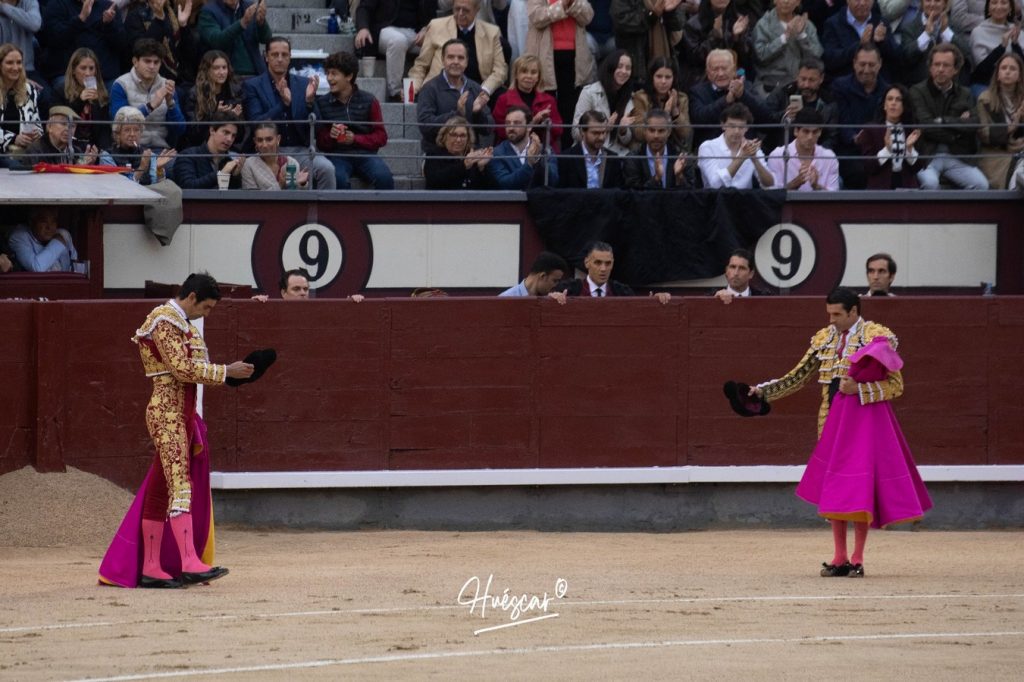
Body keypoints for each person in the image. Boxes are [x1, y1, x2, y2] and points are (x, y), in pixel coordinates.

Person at [748, 288, 930, 577]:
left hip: (861, 427)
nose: (831, 320)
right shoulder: (824, 338)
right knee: (835, 488)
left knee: (857, 488)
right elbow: (797, 377)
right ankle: (839, 556)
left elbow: (896, 386)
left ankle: (857, 558)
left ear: (853, 312)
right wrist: (762, 391)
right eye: (829, 314)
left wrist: (859, 389)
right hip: (830, 422)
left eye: (836, 314)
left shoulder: (876, 337)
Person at [98, 273, 255, 589]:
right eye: (206, 307)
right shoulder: (164, 320)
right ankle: (188, 562)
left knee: (160, 490)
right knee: (181, 484)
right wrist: (226, 371)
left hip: (181, 413)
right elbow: (182, 369)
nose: (206, 314)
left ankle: (152, 568)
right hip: (167, 414)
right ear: (193, 297)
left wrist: (228, 376)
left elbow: (195, 369)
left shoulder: (182, 324)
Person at [242, 37, 337, 190]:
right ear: (266, 57)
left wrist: (310, 103)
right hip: (268, 150)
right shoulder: (252, 85)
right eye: (275, 55)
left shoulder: (303, 83)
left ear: (290, 57)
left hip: (300, 149)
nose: (280, 59)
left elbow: (318, 126)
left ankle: (324, 206)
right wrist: (282, 105)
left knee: (327, 169)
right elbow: (255, 123)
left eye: (284, 55)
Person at [910, 42, 989, 189]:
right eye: (936, 64)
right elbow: (926, 126)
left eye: (946, 65)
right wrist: (957, 131)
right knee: (930, 184)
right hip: (927, 156)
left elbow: (974, 123)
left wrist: (942, 120)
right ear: (930, 67)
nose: (940, 69)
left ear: (956, 69)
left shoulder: (965, 93)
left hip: (957, 156)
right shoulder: (917, 91)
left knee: (981, 185)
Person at [314, 50, 394, 190]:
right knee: (338, 179)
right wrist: (331, 136)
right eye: (327, 73)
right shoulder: (322, 103)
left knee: (384, 178)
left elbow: (381, 137)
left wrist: (355, 139)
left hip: (366, 155)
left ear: (349, 76)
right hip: (336, 155)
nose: (329, 78)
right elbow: (320, 142)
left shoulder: (369, 100)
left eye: (334, 74)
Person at [525, 0, 597, 149]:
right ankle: (541, 151)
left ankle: (566, 150)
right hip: (544, 57)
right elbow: (536, 17)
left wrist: (573, 4)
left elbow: (588, 16)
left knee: (569, 106)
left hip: (574, 57)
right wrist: (562, 5)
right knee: (545, 104)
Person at [409, 0, 509, 98]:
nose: (460, 13)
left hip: (478, 88)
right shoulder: (437, 26)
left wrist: (485, 90)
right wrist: (413, 90)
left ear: (476, 10)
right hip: (441, 89)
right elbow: (421, 65)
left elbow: (500, 70)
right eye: (457, 9)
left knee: (504, 97)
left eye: (466, 10)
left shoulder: (492, 32)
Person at [416, 39, 495, 155]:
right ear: (443, 60)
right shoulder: (429, 88)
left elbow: (488, 129)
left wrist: (477, 113)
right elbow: (425, 126)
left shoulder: (475, 88)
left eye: (461, 58)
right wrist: (456, 114)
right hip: (438, 156)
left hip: (470, 155)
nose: (456, 61)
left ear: (467, 62)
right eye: (451, 57)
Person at [109, 39, 186, 151]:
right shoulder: (121, 85)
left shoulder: (167, 85)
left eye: (156, 62)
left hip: (161, 149)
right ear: (135, 62)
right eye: (147, 61)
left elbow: (180, 130)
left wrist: (170, 104)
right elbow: (118, 123)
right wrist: (150, 106)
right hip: (131, 149)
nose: (152, 66)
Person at [354, 0, 438, 102]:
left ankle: (430, 91)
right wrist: (363, 28)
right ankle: (395, 92)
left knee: (436, 43)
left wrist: (425, 29)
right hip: (386, 29)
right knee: (398, 41)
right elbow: (364, 8)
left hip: (415, 33)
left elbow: (431, 15)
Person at [831, 44, 889, 189]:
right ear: (854, 64)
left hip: (879, 148)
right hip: (849, 150)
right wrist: (854, 138)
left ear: (880, 64)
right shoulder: (840, 86)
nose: (866, 70)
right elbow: (841, 121)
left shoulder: (888, 90)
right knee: (858, 171)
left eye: (871, 65)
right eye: (862, 64)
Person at [688, 48, 771, 148]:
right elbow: (699, 119)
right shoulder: (697, 92)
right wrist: (726, 100)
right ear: (708, 73)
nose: (720, 74)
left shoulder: (747, 87)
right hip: (711, 150)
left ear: (734, 70)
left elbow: (766, 116)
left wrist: (743, 95)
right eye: (715, 69)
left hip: (745, 148)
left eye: (724, 68)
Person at [39, 0, 127, 86]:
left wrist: (109, 25)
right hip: (69, 76)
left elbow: (121, 44)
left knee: (120, 88)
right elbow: (55, 39)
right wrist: (81, 18)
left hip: (105, 78)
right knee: (66, 88)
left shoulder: (108, 7)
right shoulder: (57, 4)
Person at [855, 83, 923, 188]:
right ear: (884, 105)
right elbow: (868, 167)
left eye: (898, 100)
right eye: (890, 99)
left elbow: (917, 168)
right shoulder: (871, 130)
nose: (893, 103)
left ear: (904, 106)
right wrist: (887, 150)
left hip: (906, 185)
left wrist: (909, 149)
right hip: (880, 187)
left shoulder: (912, 129)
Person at [491, 54, 564, 148]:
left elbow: (558, 131)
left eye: (533, 72)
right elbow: (500, 131)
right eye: (524, 72)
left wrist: (545, 123)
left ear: (538, 77)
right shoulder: (503, 100)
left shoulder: (549, 100)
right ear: (516, 75)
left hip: (542, 150)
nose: (529, 76)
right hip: (512, 150)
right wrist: (533, 122)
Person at [764, 57, 838, 151]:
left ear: (821, 79)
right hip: (780, 151)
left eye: (811, 80)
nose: (806, 85)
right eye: (803, 79)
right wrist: (784, 115)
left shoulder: (829, 103)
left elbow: (831, 137)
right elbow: (765, 120)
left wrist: (817, 153)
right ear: (797, 76)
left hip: (814, 154)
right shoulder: (783, 93)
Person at [681, 0, 756, 92]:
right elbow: (695, 57)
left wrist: (736, 38)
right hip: (704, 78)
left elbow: (747, 58)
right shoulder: (693, 24)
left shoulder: (738, 20)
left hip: (734, 76)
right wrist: (715, 36)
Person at [572, 48, 637, 155]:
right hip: (588, 152)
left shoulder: (629, 97)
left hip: (615, 153)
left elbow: (627, 141)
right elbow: (576, 133)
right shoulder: (589, 92)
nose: (624, 71)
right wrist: (603, 128)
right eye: (619, 66)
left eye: (628, 68)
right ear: (611, 67)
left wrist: (623, 130)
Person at [752, 0, 822, 98]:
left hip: (799, 86)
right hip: (769, 86)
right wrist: (784, 38)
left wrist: (801, 36)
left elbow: (816, 56)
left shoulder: (807, 25)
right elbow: (760, 55)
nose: (786, 1)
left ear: (798, 2)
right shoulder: (763, 24)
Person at [821, 0, 900, 84]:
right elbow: (830, 60)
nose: (862, 3)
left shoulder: (881, 22)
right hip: (845, 84)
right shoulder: (833, 24)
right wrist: (859, 45)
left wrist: (882, 42)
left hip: (878, 84)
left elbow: (897, 57)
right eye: (857, 0)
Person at [697, 101, 774, 187]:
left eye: (741, 127)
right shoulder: (707, 147)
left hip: (745, 195)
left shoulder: (751, 147)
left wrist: (755, 160)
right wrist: (741, 157)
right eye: (732, 126)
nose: (736, 131)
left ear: (747, 128)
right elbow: (716, 184)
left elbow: (770, 184)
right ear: (723, 125)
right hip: (716, 195)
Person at [976, 52, 1024, 188]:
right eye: (1003, 68)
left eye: (1012, 69)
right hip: (995, 156)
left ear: (1020, 76)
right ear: (997, 74)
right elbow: (984, 133)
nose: (1007, 71)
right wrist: (1011, 127)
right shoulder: (985, 99)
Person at [183, 49, 246, 149]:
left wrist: (235, 119)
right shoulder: (194, 94)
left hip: (230, 148)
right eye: (216, 68)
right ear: (207, 70)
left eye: (224, 67)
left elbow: (240, 137)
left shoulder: (235, 92)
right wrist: (216, 117)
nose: (222, 72)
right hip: (201, 149)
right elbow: (193, 135)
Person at [50, 48, 111, 151]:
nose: (88, 73)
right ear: (74, 70)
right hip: (67, 145)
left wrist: (102, 152)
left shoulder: (101, 94)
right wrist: (80, 101)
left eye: (91, 68)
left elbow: (103, 130)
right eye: (83, 68)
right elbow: (61, 123)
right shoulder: (60, 91)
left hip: (93, 148)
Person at [609, 0, 685, 82]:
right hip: (636, 60)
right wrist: (652, 15)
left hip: (665, 57)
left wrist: (670, 12)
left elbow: (678, 24)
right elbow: (621, 20)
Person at [766, 107, 840, 190]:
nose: (810, 137)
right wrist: (795, 183)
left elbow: (834, 195)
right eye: (806, 131)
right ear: (796, 131)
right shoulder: (777, 156)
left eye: (815, 132)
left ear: (820, 132)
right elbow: (772, 193)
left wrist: (816, 186)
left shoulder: (829, 157)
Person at [630, 56, 693, 153]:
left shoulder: (682, 98)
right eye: (659, 76)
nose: (663, 81)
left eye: (668, 77)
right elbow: (638, 133)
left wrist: (675, 110)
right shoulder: (641, 97)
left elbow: (685, 133)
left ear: (674, 78)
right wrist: (665, 114)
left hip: (673, 148)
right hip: (646, 148)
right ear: (652, 77)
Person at [488, 105, 560, 188]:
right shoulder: (497, 153)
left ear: (529, 127)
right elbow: (504, 183)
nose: (511, 128)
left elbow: (553, 180)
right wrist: (529, 164)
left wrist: (539, 161)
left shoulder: (544, 150)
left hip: (538, 196)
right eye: (508, 123)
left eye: (517, 123)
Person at [623, 107, 696, 187]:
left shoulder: (682, 159)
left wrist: (679, 177)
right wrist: (656, 179)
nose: (656, 136)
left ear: (669, 132)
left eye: (661, 131)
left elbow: (691, 192)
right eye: (651, 130)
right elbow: (633, 192)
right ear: (644, 131)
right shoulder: (633, 159)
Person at [125, 0, 194, 84]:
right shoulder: (135, 16)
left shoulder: (170, 12)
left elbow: (190, 52)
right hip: (151, 81)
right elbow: (142, 50)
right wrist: (158, 19)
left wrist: (183, 26)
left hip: (180, 79)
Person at [197, 0, 272, 77]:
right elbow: (216, 40)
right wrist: (242, 23)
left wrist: (261, 23)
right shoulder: (208, 11)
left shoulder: (250, 7)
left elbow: (266, 39)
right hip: (226, 75)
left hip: (256, 73)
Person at [106, 105, 178, 184]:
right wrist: (142, 168)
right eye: (127, 130)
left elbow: (157, 184)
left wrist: (159, 169)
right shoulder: (107, 156)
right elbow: (116, 186)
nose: (132, 134)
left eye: (136, 130)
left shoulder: (148, 155)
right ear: (117, 133)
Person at [174, 110, 245, 188]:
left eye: (233, 136)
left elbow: (233, 194)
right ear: (212, 130)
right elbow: (188, 186)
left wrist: (235, 176)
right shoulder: (188, 156)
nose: (229, 139)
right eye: (226, 132)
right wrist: (221, 174)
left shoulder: (229, 162)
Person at [969, 0, 1024, 96]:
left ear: (1010, 8)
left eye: (1004, 3)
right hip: (986, 83)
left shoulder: (1017, 31)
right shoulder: (978, 32)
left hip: (1015, 84)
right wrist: (1002, 47)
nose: (999, 7)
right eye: (994, 3)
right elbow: (982, 69)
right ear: (988, 8)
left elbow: (1022, 66)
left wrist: (1015, 44)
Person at [558, 108, 624, 187]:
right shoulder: (567, 158)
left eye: (604, 132)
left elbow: (617, 191)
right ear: (582, 131)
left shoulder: (613, 159)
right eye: (596, 133)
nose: (601, 137)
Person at [423, 114, 494, 187]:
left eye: (463, 135)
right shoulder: (434, 154)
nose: (458, 140)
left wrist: (481, 168)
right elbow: (434, 180)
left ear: (468, 138)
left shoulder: (472, 156)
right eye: (454, 135)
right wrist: (464, 165)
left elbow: (493, 188)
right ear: (444, 136)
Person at [0, 43, 42, 167]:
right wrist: (13, 138)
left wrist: (36, 133)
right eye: (9, 63)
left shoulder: (29, 90)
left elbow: (37, 122)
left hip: (24, 151)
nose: (15, 67)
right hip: (3, 153)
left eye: (19, 62)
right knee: (16, 166)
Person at [19, 104, 100, 167]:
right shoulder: (35, 152)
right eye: (63, 123)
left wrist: (88, 164)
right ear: (49, 126)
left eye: (72, 126)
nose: (68, 129)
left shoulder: (76, 151)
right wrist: (77, 168)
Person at [897, 0, 956, 86]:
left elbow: (965, 53)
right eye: (928, 0)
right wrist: (926, 35)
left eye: (937, 1)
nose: (932, 4)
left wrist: (946, 31)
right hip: (918, 86)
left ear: (945, 4)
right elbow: (907, 57)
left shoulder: (953, 25)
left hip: (949, 86)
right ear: (922, 3)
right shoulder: (909, 28)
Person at [8, 205, 78, 272]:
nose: (49, 227)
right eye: (44, 221)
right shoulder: (19, 237)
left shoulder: (63, 234)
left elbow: (75, 266)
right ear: (31, 222)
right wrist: (57, 243)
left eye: (53, 221)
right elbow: (36, 268)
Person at [551, 240, 635, 296]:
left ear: (612, 264)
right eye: (598, 263)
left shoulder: (623, 292)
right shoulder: (567, 290)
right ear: (587, 263)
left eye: (608, 263)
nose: (603, 269)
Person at [242, 122, 309, 189]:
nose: (264, 145)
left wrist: (301, 184)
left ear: (278, 139)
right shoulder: (248, 165)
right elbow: (251, 195)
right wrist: (280, 185)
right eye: (260, 140)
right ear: (255, 141)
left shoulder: (291, 163)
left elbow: (294, 193)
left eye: (269, 139)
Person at [0, 0, 42, 85]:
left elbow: (35, 24)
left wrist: (4, 7)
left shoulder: (29, 2)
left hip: (26, 69)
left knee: (43, 92)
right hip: (2, 71)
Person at [499, 250, 569, 295]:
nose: (555, 285)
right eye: (555, 281)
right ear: (543, 276)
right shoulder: (506, 299)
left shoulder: (549, 298)